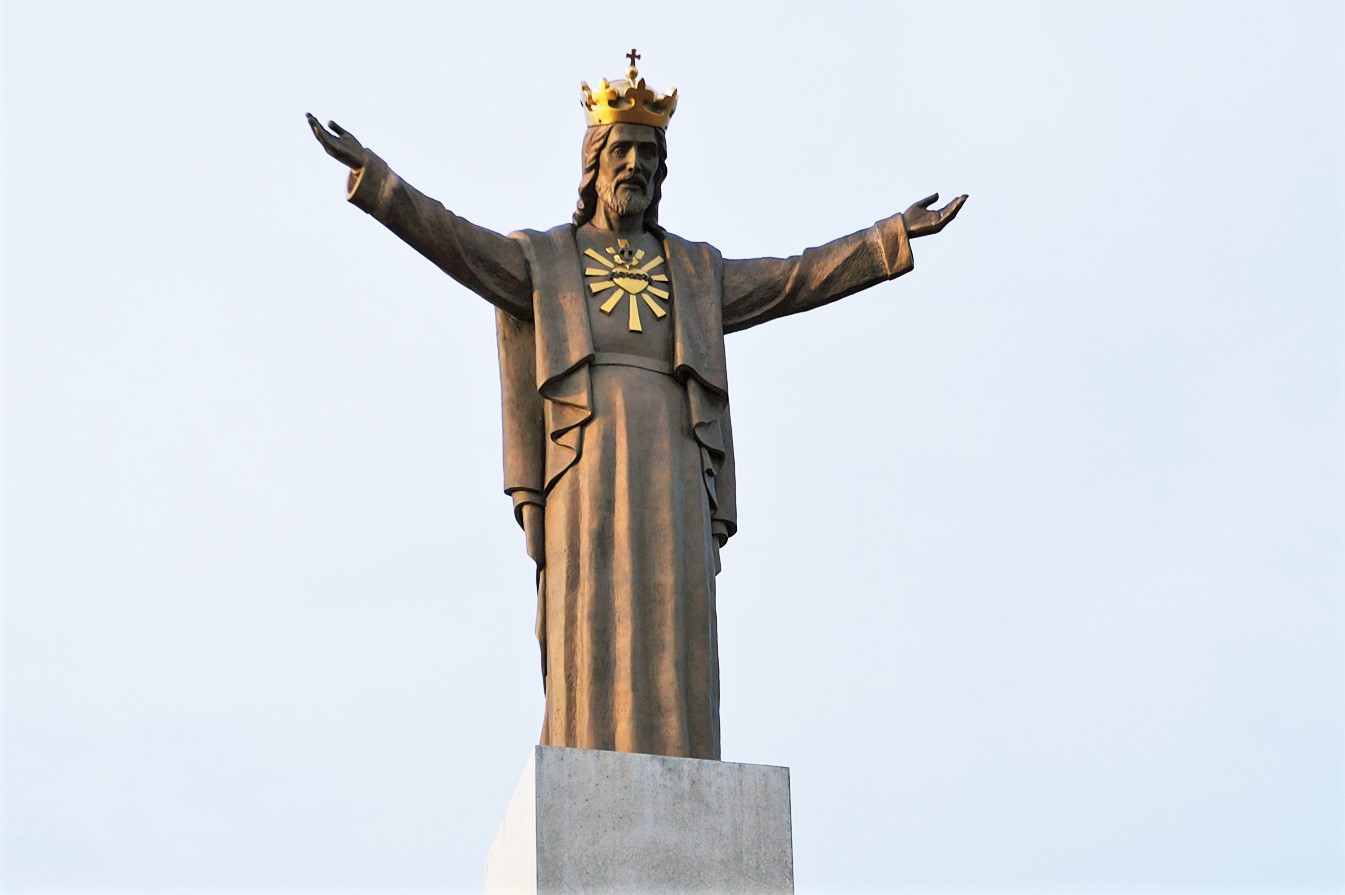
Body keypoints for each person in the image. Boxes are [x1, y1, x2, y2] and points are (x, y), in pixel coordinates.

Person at [307, 54, 965, 761]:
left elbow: (793, 279)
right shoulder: (546, 260)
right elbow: (457, 243)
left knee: (673, 609)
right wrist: (379, 183)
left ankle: (683, 751)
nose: (635, 166)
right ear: (593, 164)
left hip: (674, 455)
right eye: (621, 151)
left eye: (648, 155)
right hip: (584, 454)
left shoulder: (694, 270)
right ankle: (585, 746)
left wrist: (887, 239)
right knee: (589, 603)